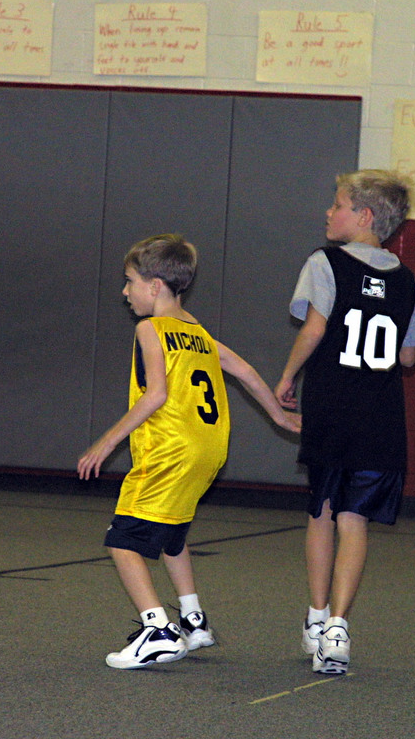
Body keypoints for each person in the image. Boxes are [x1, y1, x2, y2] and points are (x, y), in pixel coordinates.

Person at [78, 234, 301, 670]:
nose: (125, 292)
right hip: (210, 448)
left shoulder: (150, 329)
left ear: (155, 286)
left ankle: (157, 630)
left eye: (129, 281)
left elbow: (156, 395)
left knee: (122, 541)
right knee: (172, 534)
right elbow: (244, 370)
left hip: (171, 448)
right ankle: (193, 620)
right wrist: (277, 416)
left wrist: (106, 442)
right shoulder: (197, 333)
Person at [274, 169, 415, 675]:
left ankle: (317, 615)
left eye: (337, 204)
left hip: (333, 407)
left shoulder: (326, 262)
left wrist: (287, 376)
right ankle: (338, 628)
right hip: (381, 416)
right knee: (354, 519)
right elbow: (408, 356)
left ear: (363, 216)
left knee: (322, 510)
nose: (329, 211)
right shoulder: (407, 280)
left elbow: (314, 327)